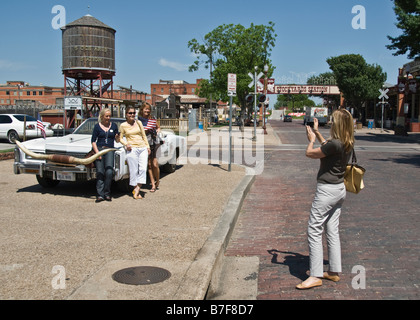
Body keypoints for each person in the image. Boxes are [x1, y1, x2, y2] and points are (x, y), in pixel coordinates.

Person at [296, 109, 354, 290]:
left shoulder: (335, 144)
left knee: (314, 228)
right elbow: (328, 148)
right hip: (339, 190)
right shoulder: (346, 142)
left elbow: (311, 153)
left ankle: (315, 275)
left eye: (333, 120)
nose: (330, 122)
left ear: (337, 124)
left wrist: (311, 140)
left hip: (326, 191)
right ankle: (334, 271)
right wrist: (319, 132)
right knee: (332, 229)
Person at [119, 107, 151, 199]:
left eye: (133, 113)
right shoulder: (123, 125)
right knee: (133, 170)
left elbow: (143, 135)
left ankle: (137, 189)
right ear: (126, 114)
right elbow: (120, 138)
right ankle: (136, 189)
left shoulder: (139, 123)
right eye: (130, 113)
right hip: (132, 149)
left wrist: (147, 146)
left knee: (143, 169)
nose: (132, 115)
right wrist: (126, 144)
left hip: (142, 147)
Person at [91, 108, 120, 203]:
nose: (108, 118)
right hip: (99, 149)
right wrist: (97, 153)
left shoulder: (114, 126)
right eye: (106, 116)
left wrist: (117, 137)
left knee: (109, 172)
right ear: (102, 116)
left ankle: (107, 193)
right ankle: (100, 195)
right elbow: (93, 141)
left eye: (109, 116)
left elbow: (117, 140)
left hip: (109, 150)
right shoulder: (97, 127)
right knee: (100, 172)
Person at [138, 103, 161, 192]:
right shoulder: (139, 120)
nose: (147, 111)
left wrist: (157, 132)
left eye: (148, 109)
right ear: (142, 110)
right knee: (149, 164)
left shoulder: (152, 119)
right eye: (145, 109)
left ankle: (157, 181)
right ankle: (153, 185)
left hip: (153, 142)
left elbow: (158, 127)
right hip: (143, 143)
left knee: (154, 164)